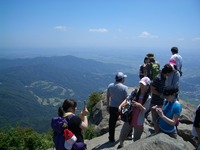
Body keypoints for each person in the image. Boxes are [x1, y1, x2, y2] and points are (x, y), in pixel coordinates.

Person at [117, 77, 151, 149]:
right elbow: (127, 100)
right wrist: (120, 106)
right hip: (129, 117)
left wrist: (139, 105)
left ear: (148, 86)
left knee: (136, 140)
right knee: (122, 136)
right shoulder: (135, 92)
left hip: (139, 121)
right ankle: (121, 145)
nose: (141, 86)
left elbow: (145, 110)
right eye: (141, 83)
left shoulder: (148, 98)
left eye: (143, 84)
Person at [151, 64, 174, 132]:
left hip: (162, 101)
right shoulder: (158, 78)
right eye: (170, 73)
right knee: (155, 119)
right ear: (167, 73)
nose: (171, 74)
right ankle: (157, 132)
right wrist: (161, 95)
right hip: (155, 102)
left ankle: (159, 131)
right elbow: (152, 89)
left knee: (160, 118)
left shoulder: (164, 77)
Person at [107, 72, 129, 142]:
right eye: (124, 78)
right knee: (127, 121)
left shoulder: (110, 86)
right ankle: (128, 135)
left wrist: (108, 105)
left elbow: (108, 96)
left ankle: (111, 138)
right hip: (121, 107)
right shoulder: (124, 88)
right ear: (122, 79)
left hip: (112, 107)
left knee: (112, 123)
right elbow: (127, 99)